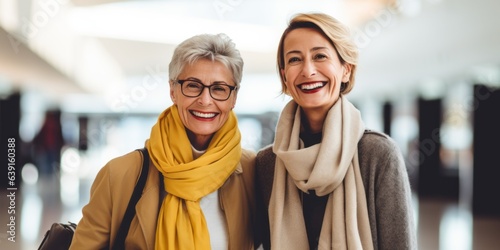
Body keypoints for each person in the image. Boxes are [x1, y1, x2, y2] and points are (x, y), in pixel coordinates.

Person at [70, 33, 257, 250]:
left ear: (233, 97)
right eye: (193, 85)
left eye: (219, 89)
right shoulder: (120, 175)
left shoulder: (253, 171)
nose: (205, 100)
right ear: (173, 90)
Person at [254, 13, 417, 250]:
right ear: (284, 77)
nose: (308, 71)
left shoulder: (377, 154)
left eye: (320, 56)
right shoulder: (267, 163)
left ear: (346, 70)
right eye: (295, 60)